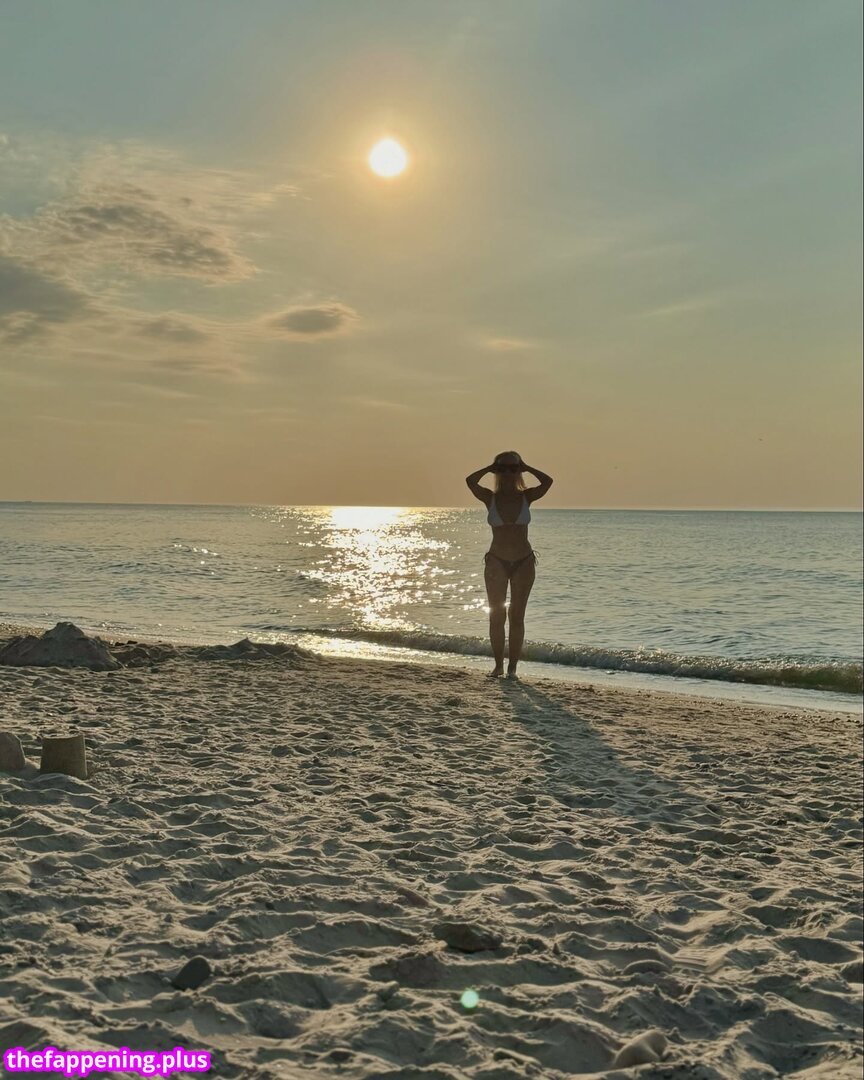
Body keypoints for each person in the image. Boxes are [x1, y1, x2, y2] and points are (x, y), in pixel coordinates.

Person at [465, 451, 554, 678]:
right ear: (497, 470)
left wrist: (527, 467)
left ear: (519, 470)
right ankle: (498, 666)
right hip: (496, 561)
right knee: (496, 616)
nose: (508, 472)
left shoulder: (527, 496)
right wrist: (490, 467)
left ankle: (513, 668)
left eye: (513, 468)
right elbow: (470, 481)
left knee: (517, 616)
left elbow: (548, 482)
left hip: (523, 562)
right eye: (502, 468)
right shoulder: (490, 498)